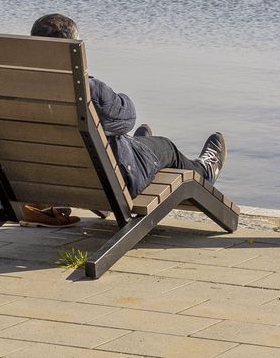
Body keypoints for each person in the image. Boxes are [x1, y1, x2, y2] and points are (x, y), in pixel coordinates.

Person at [20, 12, 226, 228]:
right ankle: (205, 171)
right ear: (75, 47)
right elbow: (128, 118)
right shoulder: (88, 90)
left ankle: (137, 144)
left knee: (125, 138)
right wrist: (121, 98)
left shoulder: (11, 86)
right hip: (112, 181)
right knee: (167, 148)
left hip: (48, 182)